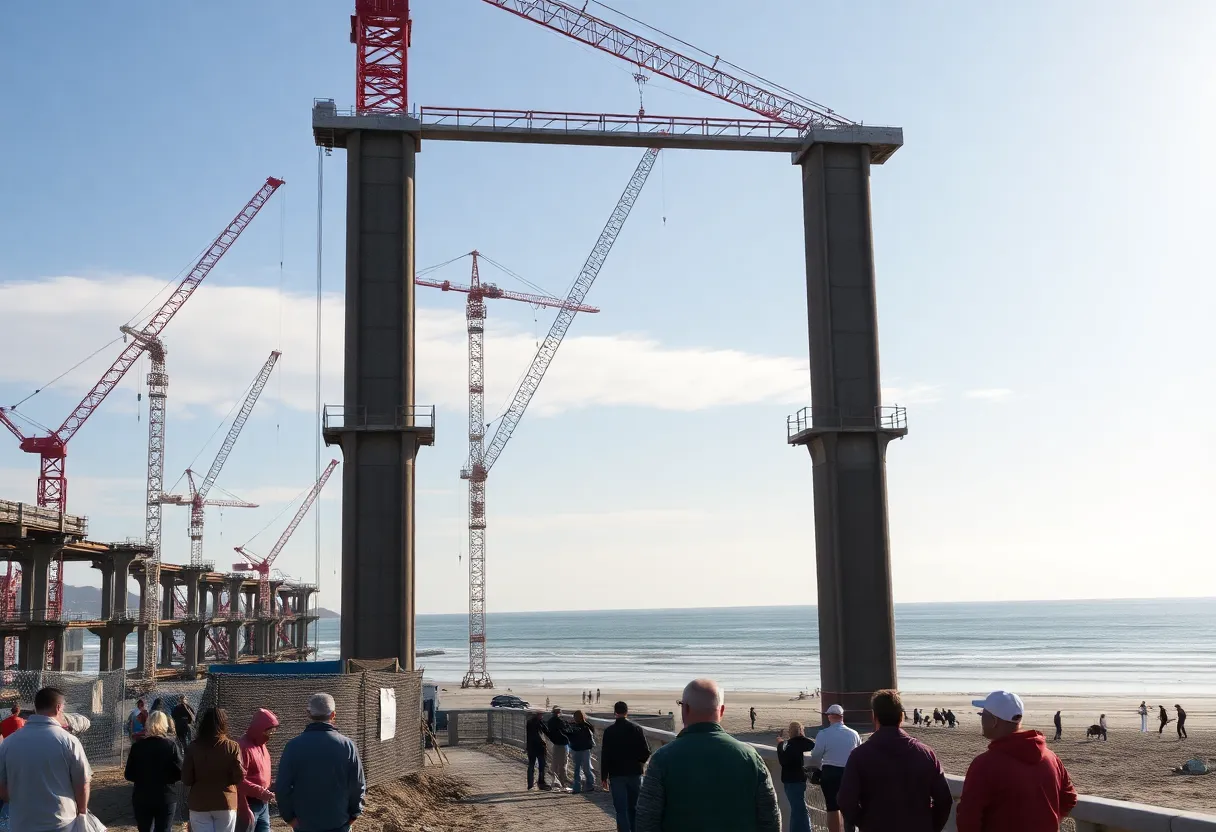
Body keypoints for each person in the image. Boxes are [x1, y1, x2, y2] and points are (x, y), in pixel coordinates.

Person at [635, 678, 779, 832]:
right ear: (721, 711)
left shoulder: (662, 759)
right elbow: (770, 819)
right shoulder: (751, 758)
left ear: (686, 709)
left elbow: (646, 820)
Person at [956, 690, 1077, 832]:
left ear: (994, 722)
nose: (981, 719)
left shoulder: (984, 764)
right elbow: (1069, 798)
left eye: (983, 715)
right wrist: (1048, 821)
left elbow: (968, 819)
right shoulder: (1051, 758)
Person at [836, 690, 951, 832]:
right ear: (901, 716)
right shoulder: (925, 754)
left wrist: (865, 822)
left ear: (874, 717)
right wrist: (931, 826)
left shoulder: (859, 755)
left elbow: (845, 800)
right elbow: (944, 799)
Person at [0, 687, 91, 832]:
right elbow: (83, 784)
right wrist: (82, 812)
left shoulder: (9, 742)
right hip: (60, 822)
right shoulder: (69, 741)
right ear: (58, 707)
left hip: (21, 822)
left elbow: (3, 789)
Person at [276, 693, 366, 832]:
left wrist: (290, 818)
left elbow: (282, 788)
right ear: (333, 714)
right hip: (339, 821)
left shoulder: (293, 746)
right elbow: (357, 784)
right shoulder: (347, 746)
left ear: (308, 714)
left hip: (305, 823)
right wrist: (354, 813)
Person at [183, 708, 244, 832]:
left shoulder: (193, 747)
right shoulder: (232, 746)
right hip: (225, 801)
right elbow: (238, 776)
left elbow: (186, 779)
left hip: (199, 802)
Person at [124, 710, 184, 832]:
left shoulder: (137, 746)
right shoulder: (170, 746)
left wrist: (142, 777)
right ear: (165, 725)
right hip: (166, 795)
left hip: (142, 796)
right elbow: (181, 772)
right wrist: (170, 778)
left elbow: (128, 774)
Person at [808, 704, 861, 832]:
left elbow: (815, 755)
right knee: (848, 806)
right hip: (848, 773)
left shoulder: (824, 734)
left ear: (830, 717)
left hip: (830, 772)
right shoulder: (854, 734)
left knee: (832, 808)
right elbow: (859, 754)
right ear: (842, 717)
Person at [601, 701, 649, 832]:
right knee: (634, 808)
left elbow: (605, 756)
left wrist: (604, 777)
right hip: (634, 773)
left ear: (615, 713)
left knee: (621, 810)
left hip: (616, 775)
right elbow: (646, 751)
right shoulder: (636, 729)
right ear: (627, 712)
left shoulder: (609, 732)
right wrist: (639, 763)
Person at [237, 709, 279, 832]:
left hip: (263, 803)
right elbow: (239, 780)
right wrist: (260, 792)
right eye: (269, 729)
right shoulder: (243, 747)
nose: (272, 732)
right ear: (260, 729)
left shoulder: (262, 745)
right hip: (249, 803)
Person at [776, 721, 816, 832]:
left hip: (787, 780)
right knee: (800, 810)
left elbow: (782, 759)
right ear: (801, 732)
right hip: (798, 779)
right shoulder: (800, 743)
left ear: (790, 732)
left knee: (796, 809)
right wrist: (802, 736)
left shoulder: (785, 745)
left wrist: (780, 742)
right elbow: (812, 744)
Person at [568, 710, 597, 794]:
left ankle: (577, 788)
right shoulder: (587, 725)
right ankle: (590, 785)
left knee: (577, 769)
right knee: (586, 768)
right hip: (585, 749)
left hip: (577, 749)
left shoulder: (574, 726)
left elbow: (569, 736)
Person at [545, 706, 573, 791]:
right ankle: (562, 783)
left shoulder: (550, 722)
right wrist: (569, 725)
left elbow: (548, 733)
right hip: (563, 744)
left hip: (556, 744)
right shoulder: (560, 722)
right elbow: (568, 731)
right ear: (559, 713)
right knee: (563, 764)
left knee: (555, 763)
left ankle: (555, 782)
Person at [525, 712, 551, 791]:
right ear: (538, 715)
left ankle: (530, 784)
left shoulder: (529, 723)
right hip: (539, 748)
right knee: (541, 765)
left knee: (531, 765)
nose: (542, 716)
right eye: (541, 715)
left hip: (531, 747)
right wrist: (543, 743)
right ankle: (541, 782)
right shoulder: (538, 723)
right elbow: (545, 732)